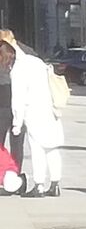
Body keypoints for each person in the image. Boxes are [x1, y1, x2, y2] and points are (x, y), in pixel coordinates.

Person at [4, 37, 61, 198]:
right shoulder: (37, 62)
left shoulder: (18, 70)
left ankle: (39, 184)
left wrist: (17, 123)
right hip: (49, 110)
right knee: (52, 148)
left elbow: (18, 99)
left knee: (37, 150)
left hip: (33, 113)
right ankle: (55, 184)